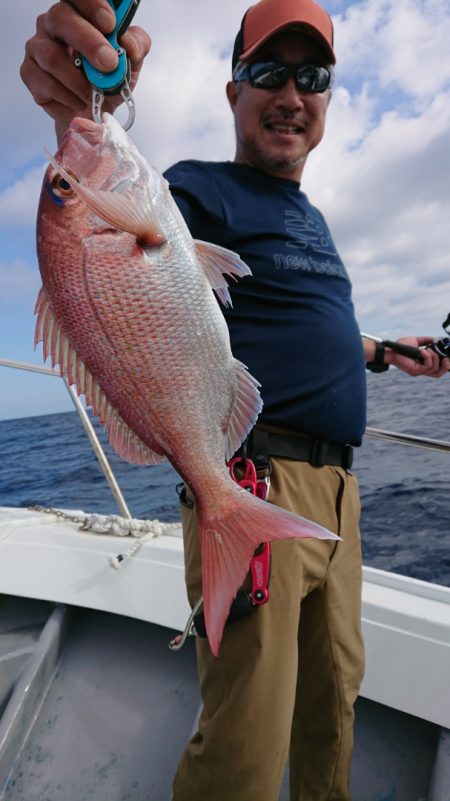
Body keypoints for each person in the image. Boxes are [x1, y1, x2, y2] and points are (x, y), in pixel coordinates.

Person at [21, 1, 449, 799]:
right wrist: (78, 106)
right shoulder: (194, 192)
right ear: (232, 92)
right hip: (255, 483)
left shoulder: (310, 216)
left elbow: (307, 325)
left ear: (326, 97)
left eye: (311, 76)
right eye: (268, 73)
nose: (291, 93)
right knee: (247, 746)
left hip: (341, 505)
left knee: (334, 712)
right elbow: (120, 253)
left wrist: (385, 352)